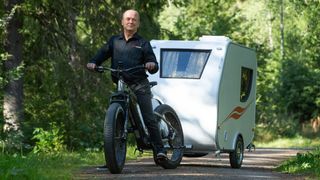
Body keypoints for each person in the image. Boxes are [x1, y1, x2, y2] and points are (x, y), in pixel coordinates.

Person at [87, 9, 167, 166]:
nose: (131, 21)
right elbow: (101, 55)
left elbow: (153, 62)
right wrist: (93, 62)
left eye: (134, 19)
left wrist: (151, 65)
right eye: (128, 19)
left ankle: (159, 150)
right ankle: (112, 158)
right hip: (121, 82)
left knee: (148, 117)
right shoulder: (114, 41)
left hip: (139, 83)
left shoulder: (143, 43)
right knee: (114, 118)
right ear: (122, 22)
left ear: (138, 24)